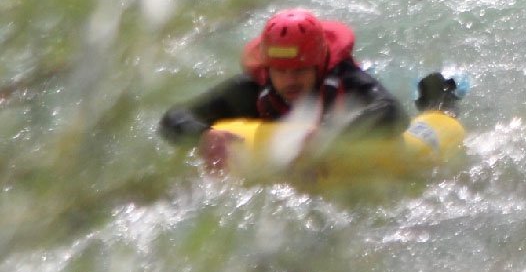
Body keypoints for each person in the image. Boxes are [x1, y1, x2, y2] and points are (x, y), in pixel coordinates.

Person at [159, 9, 405, 169]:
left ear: (319, 67)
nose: (289, 81)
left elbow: (393, 113)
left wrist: (329, 137)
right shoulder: (251, 90)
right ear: (268, 68)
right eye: (281, 71)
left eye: (299, 71)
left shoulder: (346, 81)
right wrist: (203, 135)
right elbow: (173, 118)